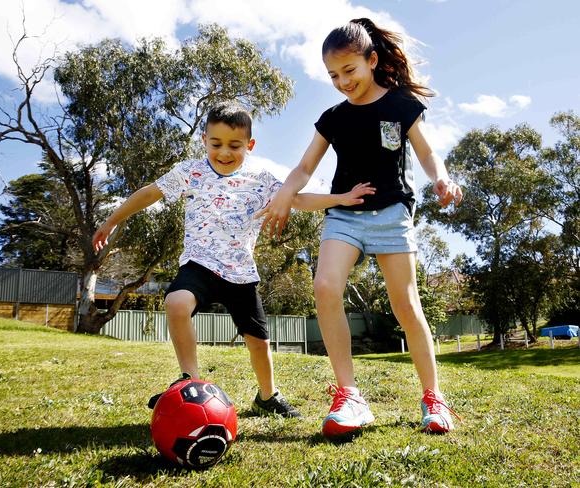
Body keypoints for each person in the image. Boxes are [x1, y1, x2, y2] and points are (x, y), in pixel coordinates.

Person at [92, 101, 376, 418]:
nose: (224, 152)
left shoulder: (261, 179)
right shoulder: (191, 172)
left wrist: (340, 198)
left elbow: (297, 199)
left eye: (234, 145)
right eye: (216, 144)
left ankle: (268, 397)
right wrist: (111, 220)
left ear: (250, 145)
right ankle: (190, 379)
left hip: (240, 273)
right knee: (176, 302)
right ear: (204, 140)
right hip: (199, 265)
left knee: (258, 342)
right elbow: (150, 193)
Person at [257, 19, 463, 436]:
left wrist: (441, 177)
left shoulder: (401, 105)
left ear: (371, 61)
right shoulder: (333, 118)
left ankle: (434, 400)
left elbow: (426, 154)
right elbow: (303, 167)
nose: (342, 81)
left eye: (349, 71)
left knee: (406, 306)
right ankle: (349, 396)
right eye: (333, 75)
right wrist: (284, 194)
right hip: (345, 216)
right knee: (325, 287)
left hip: (391, 214)